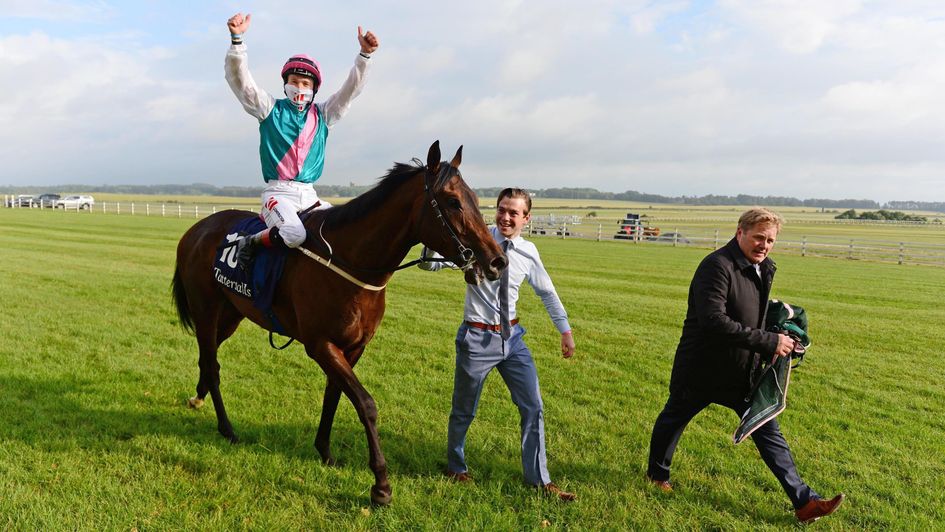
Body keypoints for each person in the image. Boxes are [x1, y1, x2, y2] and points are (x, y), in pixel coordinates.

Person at [645, 208, 844, 524]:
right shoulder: (716, 266)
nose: (764, 245)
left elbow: (751, 312)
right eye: (759, 238)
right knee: (674, 418)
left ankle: (805, 502)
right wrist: (768, 341)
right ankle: (657, 475)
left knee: (767, 428)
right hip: (701, 368)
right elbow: (714, 321)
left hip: (742, 371)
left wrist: (779, 332)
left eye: (770, 240)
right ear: (740, 232)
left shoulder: (763, 267)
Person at [419, 188, 578, 501]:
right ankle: (456, 467)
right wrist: (430, 237)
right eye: (502, 210)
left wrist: (565, 330)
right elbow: (430, 265)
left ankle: (539, 480)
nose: (506, 217)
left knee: (533, 407)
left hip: (513, 340)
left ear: (526, 219)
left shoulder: (529, 252)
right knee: (464, 410)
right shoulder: (475, 240)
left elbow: (547, 292)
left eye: (513, 213)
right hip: (476, 339)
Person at [223, 12, 379, 269]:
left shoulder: (324, 114)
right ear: (285, 84)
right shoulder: (268, 109)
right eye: (294, 81)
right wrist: (237, 41)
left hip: (310, 195)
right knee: (294, 235)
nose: (299, 87)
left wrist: (365, 56)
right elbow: (241, 82)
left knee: (342, 230)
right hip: (278, 193)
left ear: (314, 88)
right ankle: (250, 242)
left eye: (305, 83)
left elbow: (350, 91)